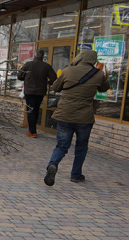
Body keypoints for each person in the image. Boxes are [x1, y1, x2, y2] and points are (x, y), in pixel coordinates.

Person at [43, 49, 110, 186]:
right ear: (94, 60)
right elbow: (104, 89)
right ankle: (76, 175)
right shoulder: (98, 74)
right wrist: (103, 76)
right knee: (81, 147)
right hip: (84, 118)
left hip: (65, 115)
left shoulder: (68, 71)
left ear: (80, 57)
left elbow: (56, 87)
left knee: (62, 146)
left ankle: (53, 164)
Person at [17, 49, 57, 138]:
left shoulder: (27, 64)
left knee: (30, 110)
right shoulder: (46, 66)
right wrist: (48, 83)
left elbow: (19, 76)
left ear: (34, 56)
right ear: (43, 56)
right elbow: (54, 77)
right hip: (40, 92)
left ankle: (32, 131)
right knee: (36, 110)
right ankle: (32, 130)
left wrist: (27, 79)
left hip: (29, 91)